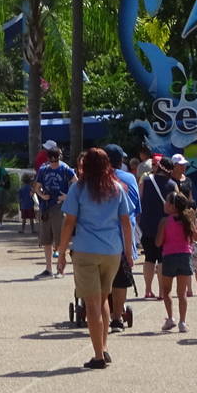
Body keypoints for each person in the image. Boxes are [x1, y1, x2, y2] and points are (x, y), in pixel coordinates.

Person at [61, 147, 134, 370]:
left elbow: (69, 221)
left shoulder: (78, 189)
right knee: (103, 298)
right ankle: (103, 347)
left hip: (85, 250)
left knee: (92, 303)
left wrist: (61, 250)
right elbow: (126, 222)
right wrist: (129, 253)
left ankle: (98, 356)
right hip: (112, 250)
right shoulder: (118, 188)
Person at [103, 143, 142, 329]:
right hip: (125, 236)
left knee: (102, 278)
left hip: (101, 237)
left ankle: (101, 313)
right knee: (121, 279)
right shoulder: (130, 179)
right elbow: (136, 209)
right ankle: (117, 317)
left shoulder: (94, 180)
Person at [158, 191, 197, 333]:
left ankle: (170, 317)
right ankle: (182, 322)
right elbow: (196, 238)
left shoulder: (165, 221)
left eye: (167, 202)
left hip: (169, 257)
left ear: (172, 206)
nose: (165, 204)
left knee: (166, 291)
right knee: (182, 292)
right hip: (185, 256)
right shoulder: (187, 220)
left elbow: (158, 241)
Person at [138, 154, 179, 298]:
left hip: (147, 224)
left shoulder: (146, 180)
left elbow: (139, 200)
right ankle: (162, 291)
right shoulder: (172, 184)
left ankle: (148, 290)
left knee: (149, 258)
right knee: (162, 259)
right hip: (166, 225)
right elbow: (177, 205)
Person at [33, 140, 75, 277]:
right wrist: (41, 195)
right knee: (46, 239)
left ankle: (60, 269)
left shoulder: (65, 169)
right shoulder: (43, 170)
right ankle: (49, 268)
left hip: (59, 206)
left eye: (55, 159)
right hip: (46, 207)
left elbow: (77, 183)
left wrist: (67, 197)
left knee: (60, 238)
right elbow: (37, 186)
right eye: (51, 159)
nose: (53, 162)